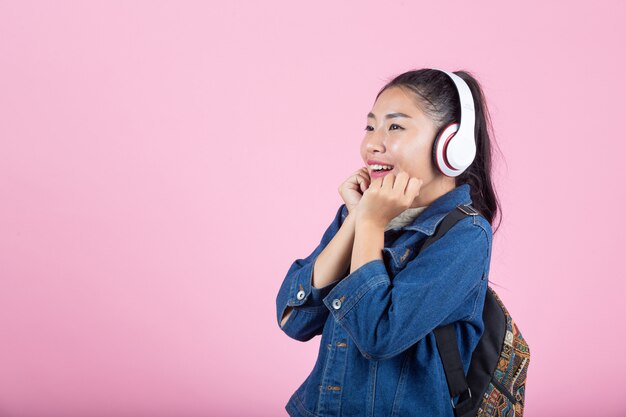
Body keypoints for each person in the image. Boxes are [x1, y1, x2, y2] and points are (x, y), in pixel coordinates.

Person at [275, 68, 502, 417]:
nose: (372, 144)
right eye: (370, 126)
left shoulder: (466, 235)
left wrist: (368, 222)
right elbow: (294, 319)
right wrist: (356, 220)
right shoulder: (364, 215)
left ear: (451, 145)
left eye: (395, 127)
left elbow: (378, 335)